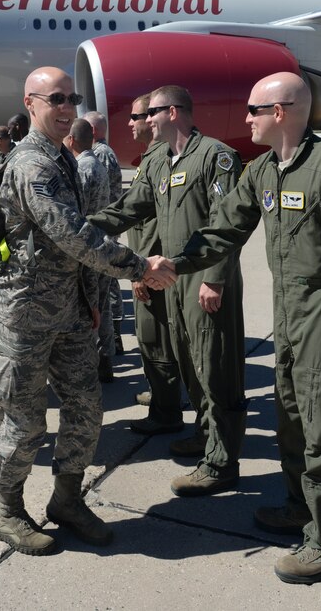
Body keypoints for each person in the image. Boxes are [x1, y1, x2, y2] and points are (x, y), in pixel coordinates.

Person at [170, 71, 321, 584]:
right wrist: (173, 265)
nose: (245, 118)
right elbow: (224, 226)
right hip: (289, 312)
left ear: (281, 112)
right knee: (292, 415)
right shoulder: (264, 170)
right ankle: (300, 508)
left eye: (253, 110)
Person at [0, 66, 176, 557]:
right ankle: (7, 511)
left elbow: (77, 244)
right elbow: (73, 235)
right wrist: (137, 266)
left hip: (68, 314)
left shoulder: (61, 159)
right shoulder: (31, 164)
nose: (66, 106)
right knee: (24, 423)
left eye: (71, 97)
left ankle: (66, 500)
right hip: (24, 316)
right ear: (31, 103)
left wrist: (92, 303)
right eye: (55, 98)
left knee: (86, 411)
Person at [89, 85, 246, 494]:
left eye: (152, 113)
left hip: (205, 278)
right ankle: (204, 435)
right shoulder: (160, 160)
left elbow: (226, 224)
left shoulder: (216, 156)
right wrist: (80, 228)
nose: (144, 119)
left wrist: (216, 279)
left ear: (173, 112)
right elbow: (130, 208)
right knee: (187, 362)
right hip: (172, 277)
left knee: (215, 368)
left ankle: (222, 463)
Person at [126, 93, 183, 434]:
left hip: (151, 269)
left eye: (138, 116)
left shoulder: (159, 157)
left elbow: (155, 225)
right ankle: (162, 397)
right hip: (145, 265)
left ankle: (166, 411)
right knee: (151, 338)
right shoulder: (151, 158)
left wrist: (139, 271)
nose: (134, 123)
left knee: (156, 338)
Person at [64, 117, 113, 382]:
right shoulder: (97, 162)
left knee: (89, 308)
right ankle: (106, 360)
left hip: (89, 246)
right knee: (102, 307)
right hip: (103, 243)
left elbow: (77, 211)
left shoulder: (83, 167)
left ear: (71, 140)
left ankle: (92, 365)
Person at [83, 110, 125, 355]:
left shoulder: (101, 154)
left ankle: (115, 335)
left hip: (106, 227)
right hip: (103, 226)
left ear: (93, 131)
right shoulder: (99, 153)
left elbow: (105, 194)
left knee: (109, 283)